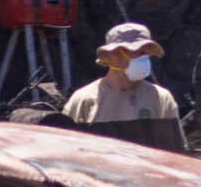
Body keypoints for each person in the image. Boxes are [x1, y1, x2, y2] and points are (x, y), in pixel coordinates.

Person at [62, 21, 187, 152]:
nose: (143, 58)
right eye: (136, 52)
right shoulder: (84, 99)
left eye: (145, 52)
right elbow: (67, 149)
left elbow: (175, 151)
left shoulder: (161, 98)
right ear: (113, 54)